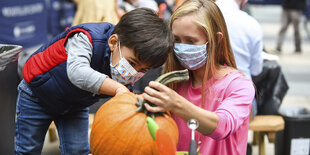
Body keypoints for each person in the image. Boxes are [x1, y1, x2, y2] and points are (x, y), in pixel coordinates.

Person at [15, 8, 173, 155]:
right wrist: (118, 88)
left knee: (78, 150)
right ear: (113, 42)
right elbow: (77, 72)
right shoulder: (86, 38)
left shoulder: (125, 67)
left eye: (143, 70)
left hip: (74, 104)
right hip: (37, 95)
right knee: (28, 148)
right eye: (131, 63)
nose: (134, 72)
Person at [142, 0, 255, 155]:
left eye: (191, 41)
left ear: (216, 40)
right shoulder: (173, 84)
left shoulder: (238, 85)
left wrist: (176, 104)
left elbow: (223, 126)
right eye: (176, 40)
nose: (182, 47)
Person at [216, 0, 263, 118]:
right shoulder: (251, 23)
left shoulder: (201, 17)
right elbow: (256, 70)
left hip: (203, 97)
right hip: (243, 102)